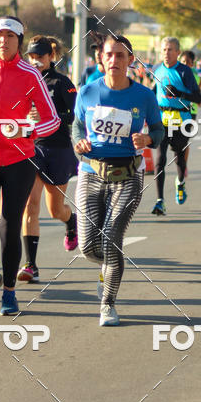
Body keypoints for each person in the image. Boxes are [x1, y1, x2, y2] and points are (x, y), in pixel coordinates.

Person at [0, 16, 60, 316]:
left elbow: (52, 120)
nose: (3, 40)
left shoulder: (30, 74)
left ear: (19, 40)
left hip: (19, 160)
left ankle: (9, 293)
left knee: (9, 225)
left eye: (10, 35)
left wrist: (27, 131)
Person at [73, 34, 164, 326]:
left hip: (127, 175)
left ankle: (107, 304)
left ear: (130, 61)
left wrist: (148, 137)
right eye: (109, 54)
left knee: (112, 239)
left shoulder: (144, 95)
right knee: (87, 246)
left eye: (120, 56)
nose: (114, 60)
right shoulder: (87, 92)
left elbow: (160, 131)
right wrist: (79, 143)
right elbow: (76, 127)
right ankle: (109, 267)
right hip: (90, 173)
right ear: (101, 57)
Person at [18, 35, 79, 283]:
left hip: (58, 148)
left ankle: (71, 220)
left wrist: (48, 115)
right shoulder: (23, 81)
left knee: (55, 210)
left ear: (51, 57)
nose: (35, 61)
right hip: (31, 148)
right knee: (30, 205)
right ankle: (30, 264)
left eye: (40, 57)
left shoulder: (62, 82)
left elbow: (74, 115)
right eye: (31, 57)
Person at [151, 36, 201, 214]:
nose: (166, 53)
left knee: (179, 157)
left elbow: (198, 98)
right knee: (160, 160)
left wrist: (179, 93)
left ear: (178, 52)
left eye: (170, 49)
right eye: (164, 49)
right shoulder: (157, 70)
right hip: (161, 118)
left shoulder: (185, 72)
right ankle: (160, 201)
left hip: (181, 118)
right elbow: (153, 92)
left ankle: (180, 182)